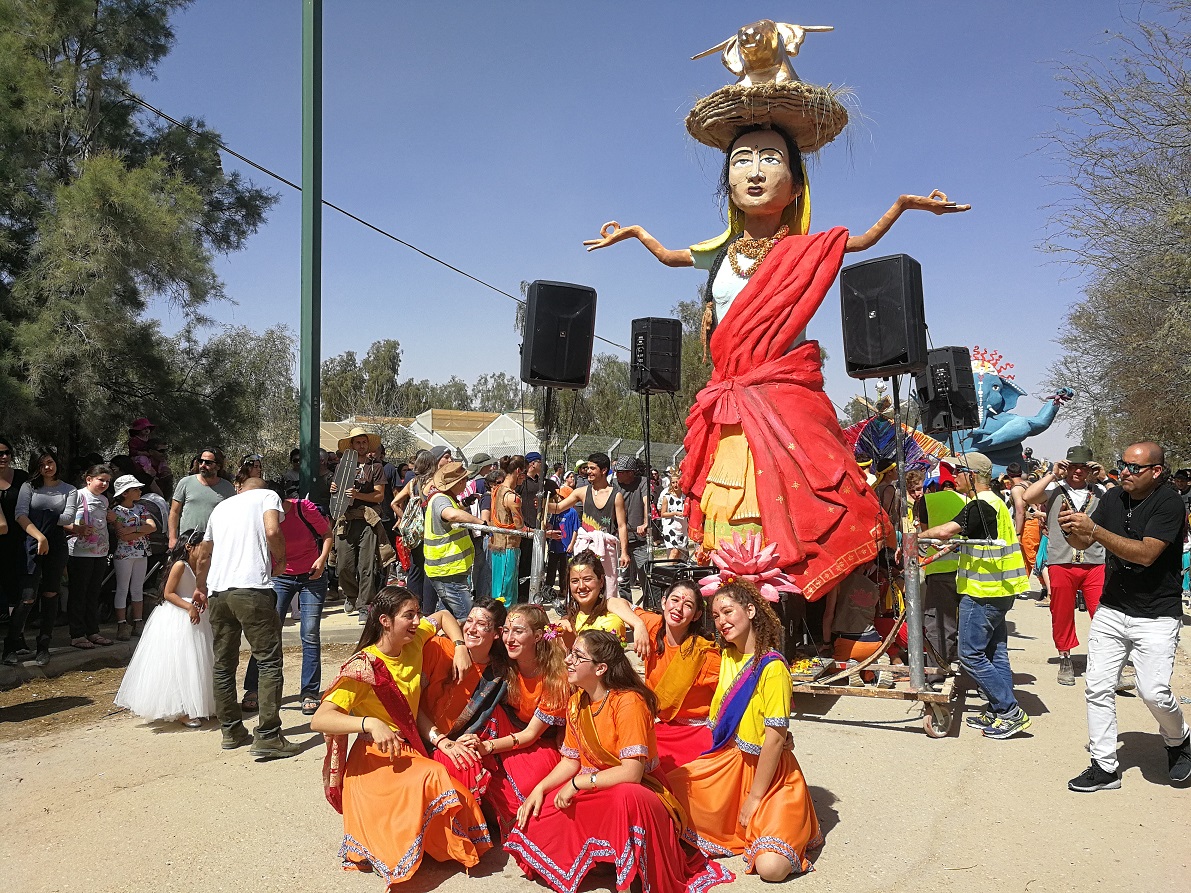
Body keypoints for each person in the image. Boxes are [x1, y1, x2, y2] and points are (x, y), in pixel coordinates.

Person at [585, 112, 965, 599]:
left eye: (770, 159)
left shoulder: (808, 249)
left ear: (796, 186)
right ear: (727, 183)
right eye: (742, 160)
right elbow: (668, 256)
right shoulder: (720, 252)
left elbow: (863, 240)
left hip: (785, 395)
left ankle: (801, 610)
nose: (755, 171)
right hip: (728, 400)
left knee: (816, 495)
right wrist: (636, 232)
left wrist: (903, 206)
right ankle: (735, 607)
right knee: (729, 508)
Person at [505, 629, 733, 893]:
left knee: (624, 795)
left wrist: (577, 784)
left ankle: (626, 872)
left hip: (639, 794)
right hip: (597, 788)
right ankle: (606, 858)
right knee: (536, 817)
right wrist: (540, 789)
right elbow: (570, 761)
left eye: (577, 656)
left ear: (600, 668)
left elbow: (632, 773)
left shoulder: (629, 702)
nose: (568, 660)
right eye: (571, 653)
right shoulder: (577, 702)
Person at [311, 586, 491, 885]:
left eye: (417, 613)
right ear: (385, 621)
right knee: (433, 775)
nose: (417, 621)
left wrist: (459, 646)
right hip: (374, 760)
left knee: (453, 778)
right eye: (409, 615)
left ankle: (434, 845)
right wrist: (369, 723)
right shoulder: (364, 667)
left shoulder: (414, 640)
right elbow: (320, 719)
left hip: (405, 749)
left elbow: (443, 615)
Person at [1058, 442, 1191, 791]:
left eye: (1134, 467)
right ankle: (1104, 766)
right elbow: (1084, 544)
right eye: (1123, 464)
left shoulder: (1169, 503)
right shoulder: (1114, 498)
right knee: (1097, 687)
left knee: (1154, 692)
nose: (1125, 472)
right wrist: (1070, 528)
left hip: (1156, 613)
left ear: (1156, 472)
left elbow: (1146, 554)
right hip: (1113, 608)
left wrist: (1094, 530)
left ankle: (1179, 740)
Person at [666, 580, 820, 881]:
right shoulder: (726, 657)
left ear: (750, 610)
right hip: (730, 766)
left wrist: (755, 798)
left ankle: (780, 825)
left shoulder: (773, 668)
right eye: (716, 615)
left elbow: (774, 740)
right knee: (665, 796)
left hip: (770, 777)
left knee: (771, 869)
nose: (721, 621)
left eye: (728, 611)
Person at [920, 452, 1032, 740]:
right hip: (1000, 590)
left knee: (970, 655)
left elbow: (945, 531)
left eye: (957, 472)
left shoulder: (980, 504)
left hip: (984, 592)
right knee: (995, 653)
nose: (953, 477)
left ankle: (1009, 711)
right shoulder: (993, 502)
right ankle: (999, 709)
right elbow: (974, 539)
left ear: (971, 476)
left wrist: (911, 538)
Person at [193, 477, 297, 758]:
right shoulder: (267, 496)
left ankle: (231, 730)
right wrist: (281, 560)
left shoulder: (221, 507)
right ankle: (268, 736)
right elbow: (272, 530)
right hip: (252, 589)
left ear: (241, 488)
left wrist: (200, 586)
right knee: (268, 661)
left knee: (223, 664)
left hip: (219, 592)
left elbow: (204, 554)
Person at [461, 603, 569, 833]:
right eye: (507, 631)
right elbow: (444, 620)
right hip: (509, 732)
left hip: (539, 741)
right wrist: (459, 646)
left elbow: (531, 734)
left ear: (538, 636)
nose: (509, 639)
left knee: (528, 783)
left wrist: (487, 747)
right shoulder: (507, 663)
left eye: (518, 631)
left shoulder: (555, 677)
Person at [1022, 445, 1109, 686]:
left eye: (1083, 467)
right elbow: (1028, 497)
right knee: (1061, 613)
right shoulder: (1054, 489)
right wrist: (1052, 473)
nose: (1077, 471)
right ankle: (1065, 658)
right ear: (1066, 467)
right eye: (1073, 466)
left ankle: (1107, 662)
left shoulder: (1100, 492)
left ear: (1090, 469)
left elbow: (1123, 499)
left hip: (1094, 561)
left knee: (1103, 614)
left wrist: (1104, 478)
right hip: (1061, 561)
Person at [243, 489, 334, 716]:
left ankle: (309, 692)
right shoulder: (260, 514)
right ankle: (254, 689)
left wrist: (322, 560)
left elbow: (327, 534)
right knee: (267, 633)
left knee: (310, 634)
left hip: (311, 576)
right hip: (279, 578)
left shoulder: (304, 509)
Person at [115, 529, 214, 727]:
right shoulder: (180, 565)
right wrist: (189, 607)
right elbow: (169, 593)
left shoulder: (203, 566)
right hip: (178, 617)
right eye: (204, 549)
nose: (208, 554)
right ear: (189, 547)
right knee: (180, 661)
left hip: (198, 616)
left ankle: (202, 703)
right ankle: (182, 708)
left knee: (199, 660)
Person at [419, 598, 510, 796]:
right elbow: (410, 706)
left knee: (468, 765)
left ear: (497, 633)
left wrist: (473, 741)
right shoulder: (439, 648)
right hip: (417, 738)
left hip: (450, 744)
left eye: (482, 624)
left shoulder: (497, 676)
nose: (471, 629)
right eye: (469, 621)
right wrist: (460, 646)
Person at [634, 580, 720, 775]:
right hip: (660, 728)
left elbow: (732, 695)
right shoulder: (654, 626)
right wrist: (638, 624)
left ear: (697, 615)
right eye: (674, 600)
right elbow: (615, 602)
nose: (678, 608)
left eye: (687, 605)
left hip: (693, 735)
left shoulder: (704, 654)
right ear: (664, 602)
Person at [3, 448, 76, 667]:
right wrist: (40, 536)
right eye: (42, 464)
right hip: (32, 543)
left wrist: (40, 518)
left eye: (50, 462)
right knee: (27, 597)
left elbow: (68, 517)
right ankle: (10, 645)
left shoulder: (69, 489)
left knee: (51, 594)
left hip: (57, 544)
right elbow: (20, 515)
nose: (47, 467)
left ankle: (43, 645)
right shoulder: (28, 486)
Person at [548, 452, 630, 592]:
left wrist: (624, 553)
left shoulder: (616, 496)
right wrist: (542, 504)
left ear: (603, 470)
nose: (588, 471)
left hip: (606, 548)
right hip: (584, 547)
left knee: (608, 587)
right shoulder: (581, 492)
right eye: (588, 468)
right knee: (583, 585)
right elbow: (559, 508)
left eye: (592, 468)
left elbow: (622, 526)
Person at [914, 473, 969, 682]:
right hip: (968, 568)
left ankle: (936, 673)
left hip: (938, 567)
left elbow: (927, 533)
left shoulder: (927, 501)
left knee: (939, 624)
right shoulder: (970, 500)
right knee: (969, 622)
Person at [332, 428, 387, 622]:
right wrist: (334, 489)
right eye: (358, 442)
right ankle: (352, 595)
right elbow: (336, 496)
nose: (361, 446)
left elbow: (379, 495)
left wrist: (358, 495)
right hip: (345, 520)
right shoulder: (342, 467)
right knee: (343, 566)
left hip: (367, 520)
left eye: (364, 442)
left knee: (367, 566)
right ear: (352, 445)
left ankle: (365, 605)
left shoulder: (376, 467)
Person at [423, 461, 485, 621]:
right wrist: (480, 523)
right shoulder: (440, 499)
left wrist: (465, 503)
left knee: (447, 617)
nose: (466, 483)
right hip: (448, 571)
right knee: (467, 617)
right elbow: (451, 514)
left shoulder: (444, 498)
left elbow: (452, 511)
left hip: (448, 570)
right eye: (464, 480)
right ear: (458, 482)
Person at [62, 465, 114, 649]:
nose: (104, 484)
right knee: (79, 593)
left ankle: (93, 631)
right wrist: (78, 529)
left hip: (100, 552)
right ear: (89, 479)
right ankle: (77, 634)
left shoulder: (104, 499)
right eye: (101, 480)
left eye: (108, 481)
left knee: (93, 593)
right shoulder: (76, 495)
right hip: (79, 552)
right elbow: (62, 520)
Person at [559, 550, 648, 651]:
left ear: (601, 581)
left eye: (587, 579)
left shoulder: (610, 621)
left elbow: (592, 657)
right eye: (575, 581)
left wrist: (638, 624)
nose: (581, 586)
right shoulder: (570, 619)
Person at [109, 474, 157, 640]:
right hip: (124, 554)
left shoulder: (141, 509)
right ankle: (121, 624)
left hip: (141, 552)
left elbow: (152, 527)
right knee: (122, 588)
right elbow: (122, 536)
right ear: (125, 493)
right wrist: (140, 530)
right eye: (135, 489)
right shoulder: (116, 512)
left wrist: (132, 529)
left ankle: (138, 621)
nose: (139, 491)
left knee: (137, 588)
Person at [392, 449, 437, 615]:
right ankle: (428, 610)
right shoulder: (434, 484)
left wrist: (405, 518)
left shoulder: (412, 483)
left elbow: (394, 503)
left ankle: (412, 606)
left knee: (415, 569)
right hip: (430, 532)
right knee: (429, 570)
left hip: (415, 534)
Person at [168, 448, 235, 550]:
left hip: (214, 543)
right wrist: (172, 538)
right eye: (200, 461)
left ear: (218, 466)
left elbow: (232, 517)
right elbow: (174, 512)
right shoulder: (185, 483)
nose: (202, 465)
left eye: (208, 463)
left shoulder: (227, 488)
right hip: (187, 542)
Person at [490, 456, 529, 606]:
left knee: (501, 589)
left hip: (498, 546)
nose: (524, 478)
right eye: (524, 473)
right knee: (505, 593)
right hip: (508, 548)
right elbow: (521, 527)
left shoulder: (497, 490)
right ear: (518, 471)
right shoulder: (512, 497)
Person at [0, 435, 30, 624]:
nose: (4, 457)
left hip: (20, 540)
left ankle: (16, 631)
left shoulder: (22, 478)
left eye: (7, 452)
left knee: (18, 588)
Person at [612, 457, 651, 603]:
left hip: (639, 538)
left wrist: (646, 522)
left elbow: (646, 501)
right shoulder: (614, 484)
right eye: (616, 471)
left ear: (631, 473)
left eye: (621, 472)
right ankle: (626, 606)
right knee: (622, 578)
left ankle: (648, 606)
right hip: (620, 538)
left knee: (645, 574)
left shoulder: (642, 482)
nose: (617, 474)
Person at [516, 451, 543, 602]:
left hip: (537, 527)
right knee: (524, 562)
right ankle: (521, 594)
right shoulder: (522, 482)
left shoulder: (539, 481)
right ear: (532, 463)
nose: (542, 465)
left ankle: (531, 591)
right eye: (539, 461)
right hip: (525, 528)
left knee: (535, 562)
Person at [657, 468, 689, 560]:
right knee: (674, 551)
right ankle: (670, 568)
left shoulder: (685, 496)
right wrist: (675, 513)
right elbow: (663, 513)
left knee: (681, 553)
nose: (675, 485)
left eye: (677, 482)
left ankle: (675, 568)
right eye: (673, 482)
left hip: (683, 527)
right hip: (671, 527)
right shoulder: (667, 497)